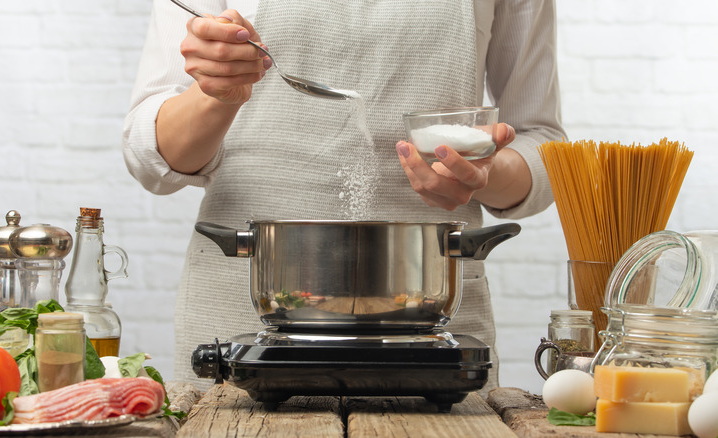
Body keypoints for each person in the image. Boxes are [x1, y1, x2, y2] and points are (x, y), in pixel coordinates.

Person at [123, 0, 565, 393]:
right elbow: (150, 160)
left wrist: (482, 173)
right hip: (241, 308)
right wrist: (215, 96)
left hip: (427, 326)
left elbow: (542, 143)